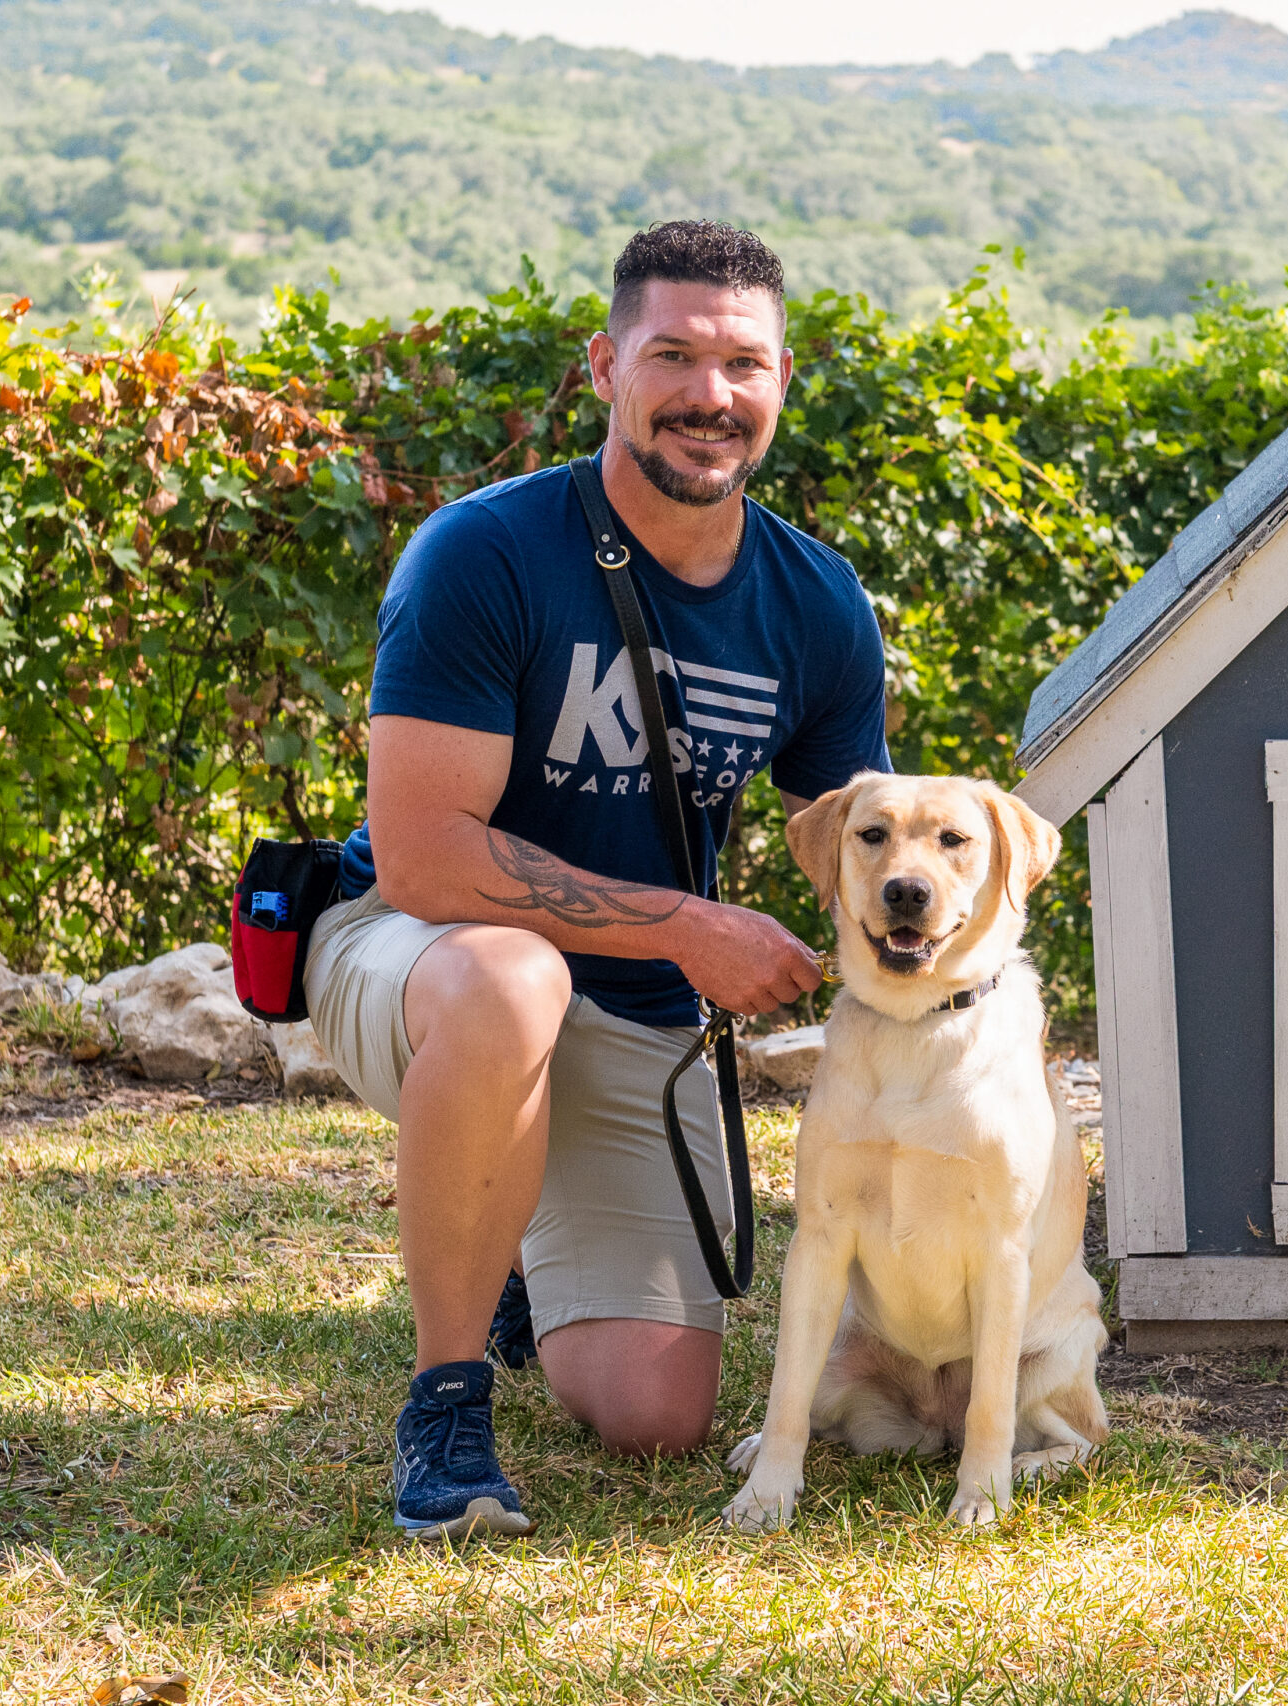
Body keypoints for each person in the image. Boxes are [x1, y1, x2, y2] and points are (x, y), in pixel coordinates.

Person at [304, 220, 889, 1542]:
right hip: (418, 951)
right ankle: (446, 1407)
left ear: (781, 380)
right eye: (671, 355)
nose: (709, 395)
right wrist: (688, 924)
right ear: (605, 366)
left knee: (656, 1412)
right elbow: (427, 853)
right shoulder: (486, 550)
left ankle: (519, 1243)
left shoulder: (817, 603)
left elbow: (869, 846)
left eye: (743, 364)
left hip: (634, 1005)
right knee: (513, 980)